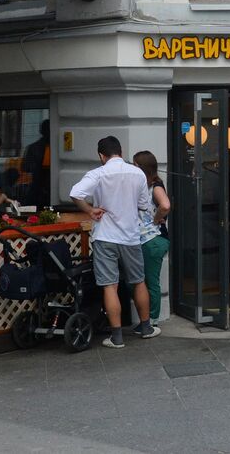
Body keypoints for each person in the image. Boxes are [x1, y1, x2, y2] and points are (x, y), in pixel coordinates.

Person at [70, 136, 160, 349]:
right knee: (138, 281)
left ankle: (117, 337)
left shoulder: (98, 173)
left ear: (101, 155)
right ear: (120, 152)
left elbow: (75, 193)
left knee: (110, 286)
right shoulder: (137, 173)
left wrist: (90, 210)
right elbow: (144, 205)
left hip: (105, 237)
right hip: (130, 237)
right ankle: (146, 327)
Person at [132, 150, 171, 323]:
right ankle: (148, 320)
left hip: (152, 240)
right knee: (145, 280)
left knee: (150, 281)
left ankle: (152, 320)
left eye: (135, 165)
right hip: (148, 240)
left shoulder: (155, 186)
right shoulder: (145, 185)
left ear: (141, 167)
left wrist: (156, 219)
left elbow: (165, 205)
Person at [19, 119, 53, 209]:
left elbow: (25, 167)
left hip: (39, 188)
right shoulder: (34, 148)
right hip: (39, 188)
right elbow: (25, 167)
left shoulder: (33, 147)